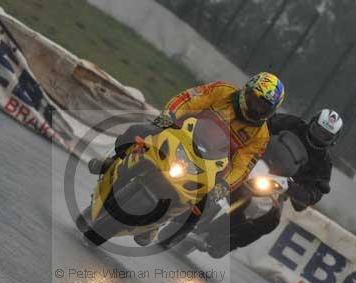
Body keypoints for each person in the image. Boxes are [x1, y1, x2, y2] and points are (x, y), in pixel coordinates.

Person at [88, 73, 286, 245]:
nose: (257, 110)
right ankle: (113, 160)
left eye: (264, 109)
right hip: (179, 136)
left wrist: (224, 185)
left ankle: (159, 222)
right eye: (256, 101)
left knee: (203, 206)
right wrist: (168, 117)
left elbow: (243, 166)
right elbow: (188, 100)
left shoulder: (261, 136)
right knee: (138, 131)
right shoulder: (222, 91)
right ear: (247, 91)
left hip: (208, 167)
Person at [206, 109, 343, 258]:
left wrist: (290, 187)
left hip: (275, 187)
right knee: (220, 163)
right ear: (312, 123)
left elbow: (314, 193)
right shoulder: (292, 124)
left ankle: (228, 243)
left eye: (326, 136)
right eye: (318, 130)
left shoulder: (323, 164)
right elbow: (265, 125)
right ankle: (189, 197)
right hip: (255, 161)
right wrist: (254, 141)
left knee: (272, 220)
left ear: (333, 140)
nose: (319, 137)